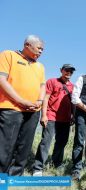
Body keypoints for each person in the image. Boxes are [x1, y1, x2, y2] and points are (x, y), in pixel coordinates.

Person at [0, 35, 45, 176]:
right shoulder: (9, 55)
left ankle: (16, 175)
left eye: (43, 49)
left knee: (24, 145)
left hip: (33, 111)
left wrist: (39, 101)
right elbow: (1, 80)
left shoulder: (40, 66)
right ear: (27, 45)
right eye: (39, 48)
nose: (41, 52)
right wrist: (21, 101)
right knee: (6, 145)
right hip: (11, 108)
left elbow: (42, 86)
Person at [32, 64, 76, 176]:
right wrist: (44, 115)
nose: (69, 73)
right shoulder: (52, 81)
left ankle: (56, 163)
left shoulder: (73, 86)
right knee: (45, 142)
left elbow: (73, 103)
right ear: (61, 70)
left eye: (71, 71)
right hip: (51, 116)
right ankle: (38, 167)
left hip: (65, 119)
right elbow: (45, 98)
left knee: (61, 143)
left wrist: (73, 115)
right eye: (66, 70)